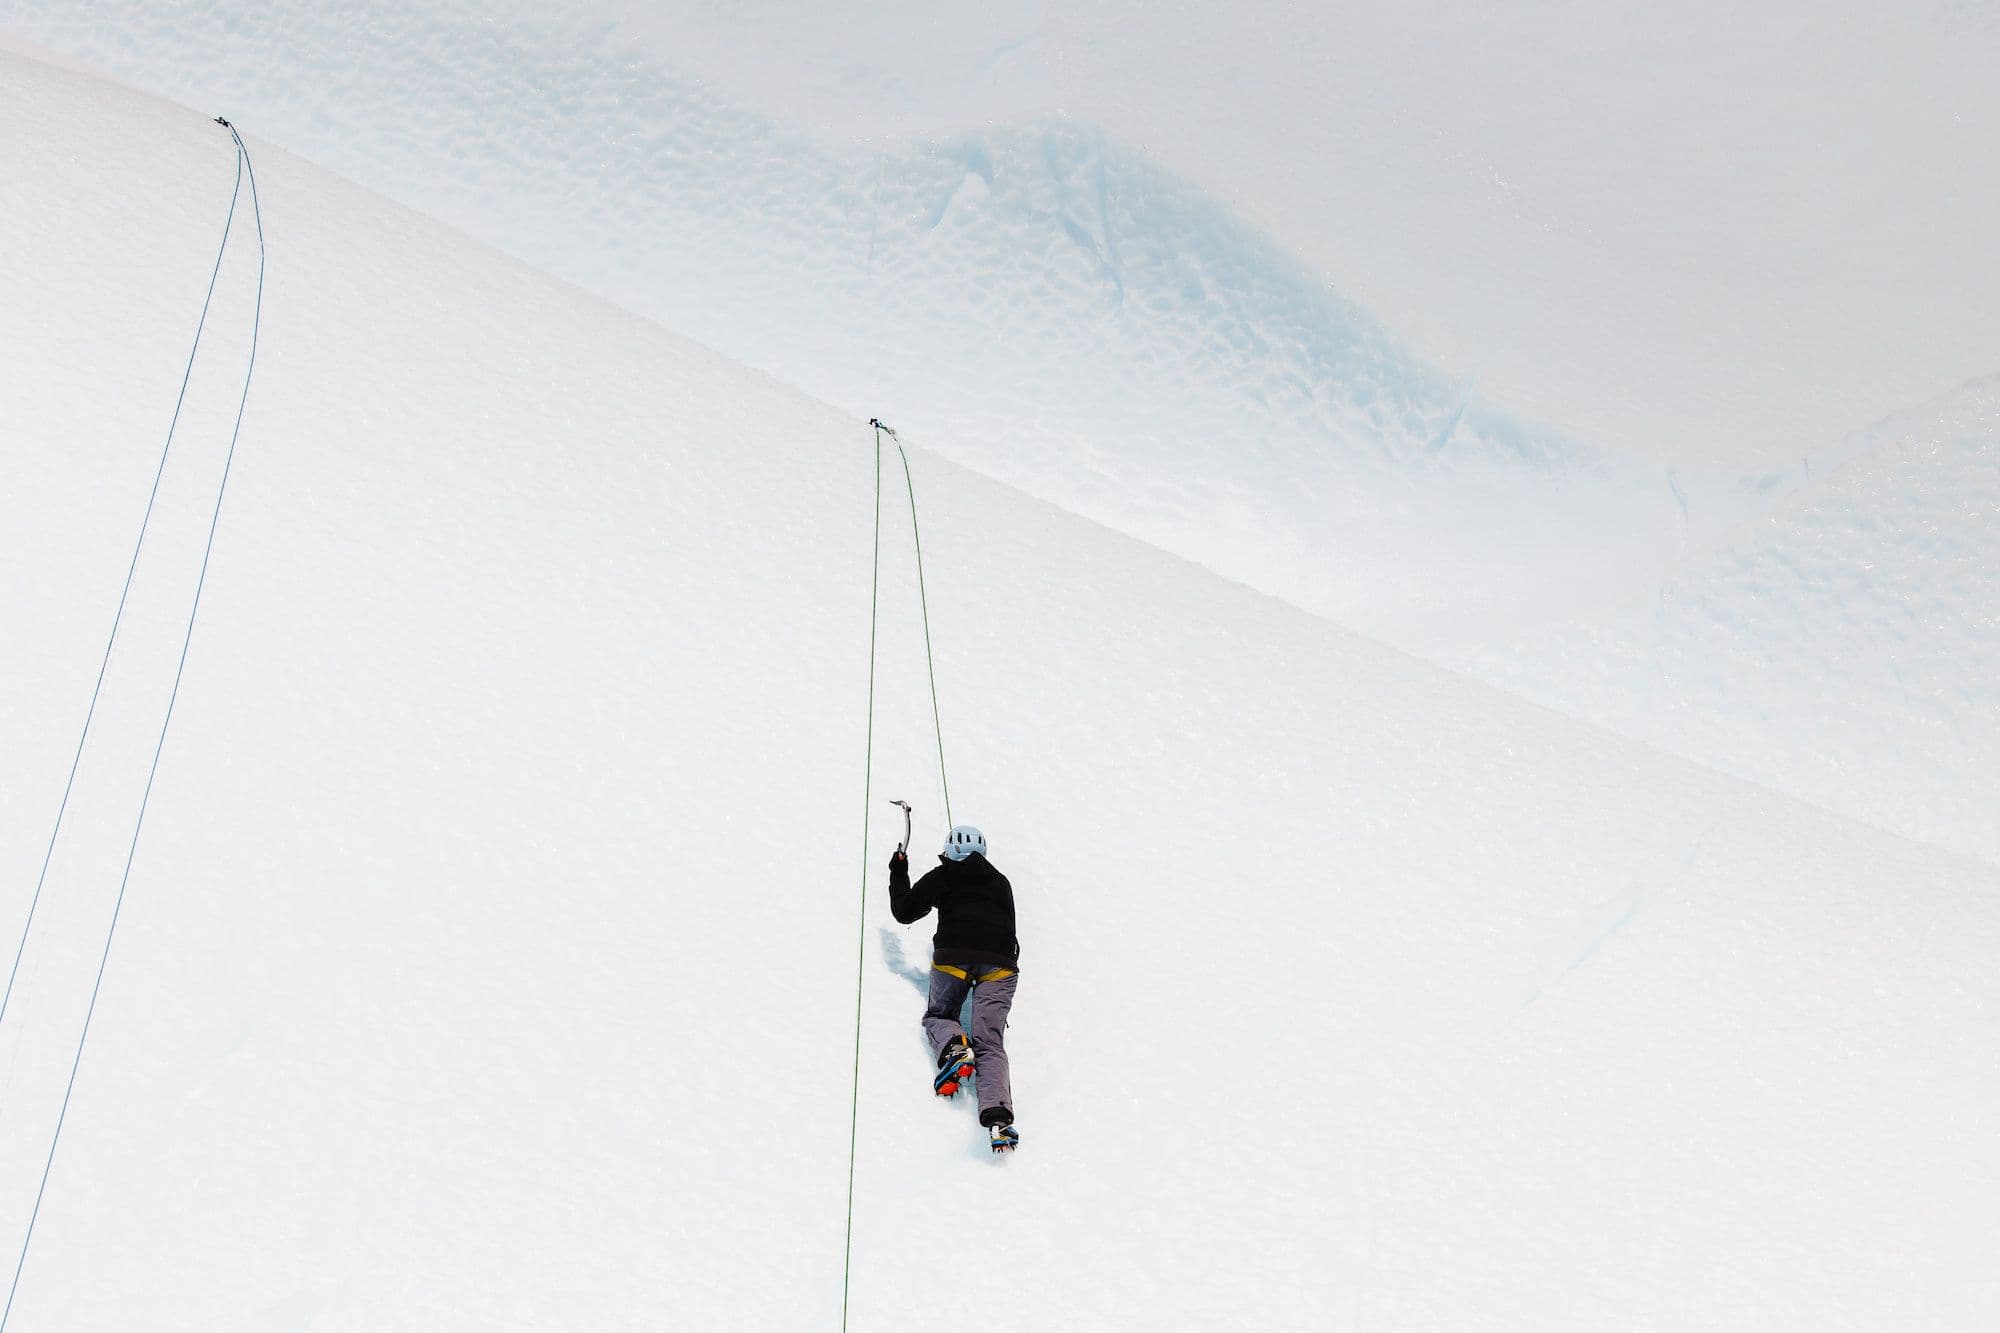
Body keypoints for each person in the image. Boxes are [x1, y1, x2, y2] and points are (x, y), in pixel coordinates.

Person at [889, 824, 1020, 1152]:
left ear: (949, 851)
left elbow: (904, 912)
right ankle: (998, 1117)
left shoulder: (943, 875)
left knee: (940, 1015)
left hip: (953, 957)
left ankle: (954, 1047)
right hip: (1000, 964)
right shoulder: (1000, 881)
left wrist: (899, 869)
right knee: (990, 1041)